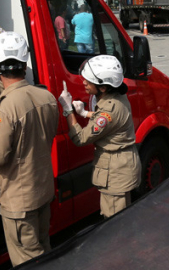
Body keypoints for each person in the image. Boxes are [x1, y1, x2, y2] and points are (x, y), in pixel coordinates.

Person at [0, 31, 58, 267]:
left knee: (27, 260)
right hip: (42, 189)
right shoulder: (46, 96)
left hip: (19, 201)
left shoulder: (3, 108)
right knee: (44, 249)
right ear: (24, 63)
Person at [59, 55, 141, 218]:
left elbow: (80, 138)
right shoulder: (118, 96)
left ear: (103, 88)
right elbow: (106, 119)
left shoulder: (108, 111)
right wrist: (84, 113)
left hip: (115, 172)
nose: (84, 83)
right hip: (123, 164)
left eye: (88, 82)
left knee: (115, 223)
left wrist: (68, 110)